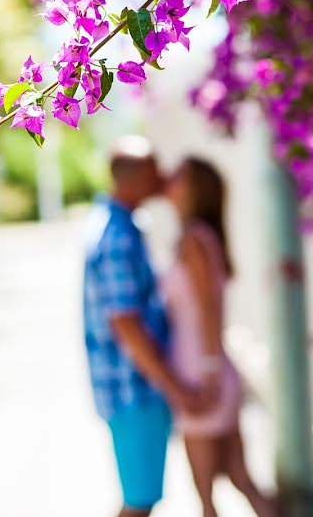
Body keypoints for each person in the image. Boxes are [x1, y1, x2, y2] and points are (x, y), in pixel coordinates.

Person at [83, 136, 207, 517]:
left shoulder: (122, 225)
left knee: (141, 497)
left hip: (133, 388)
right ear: (136, 177)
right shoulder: (117, 237)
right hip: (133, 390)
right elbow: (127, 326)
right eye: (156, 172)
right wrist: (176, 387)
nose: (164, 178)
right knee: (139, 501)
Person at [163, 157, 277, 517]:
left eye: (179, 176)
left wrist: (208, 372)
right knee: (241, 479)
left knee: (207, 498)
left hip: (200, 374)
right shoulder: (202, 236)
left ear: (194, 190)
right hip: (208, 368)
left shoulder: (194, 240)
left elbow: (209, 310)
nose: (170, 179)